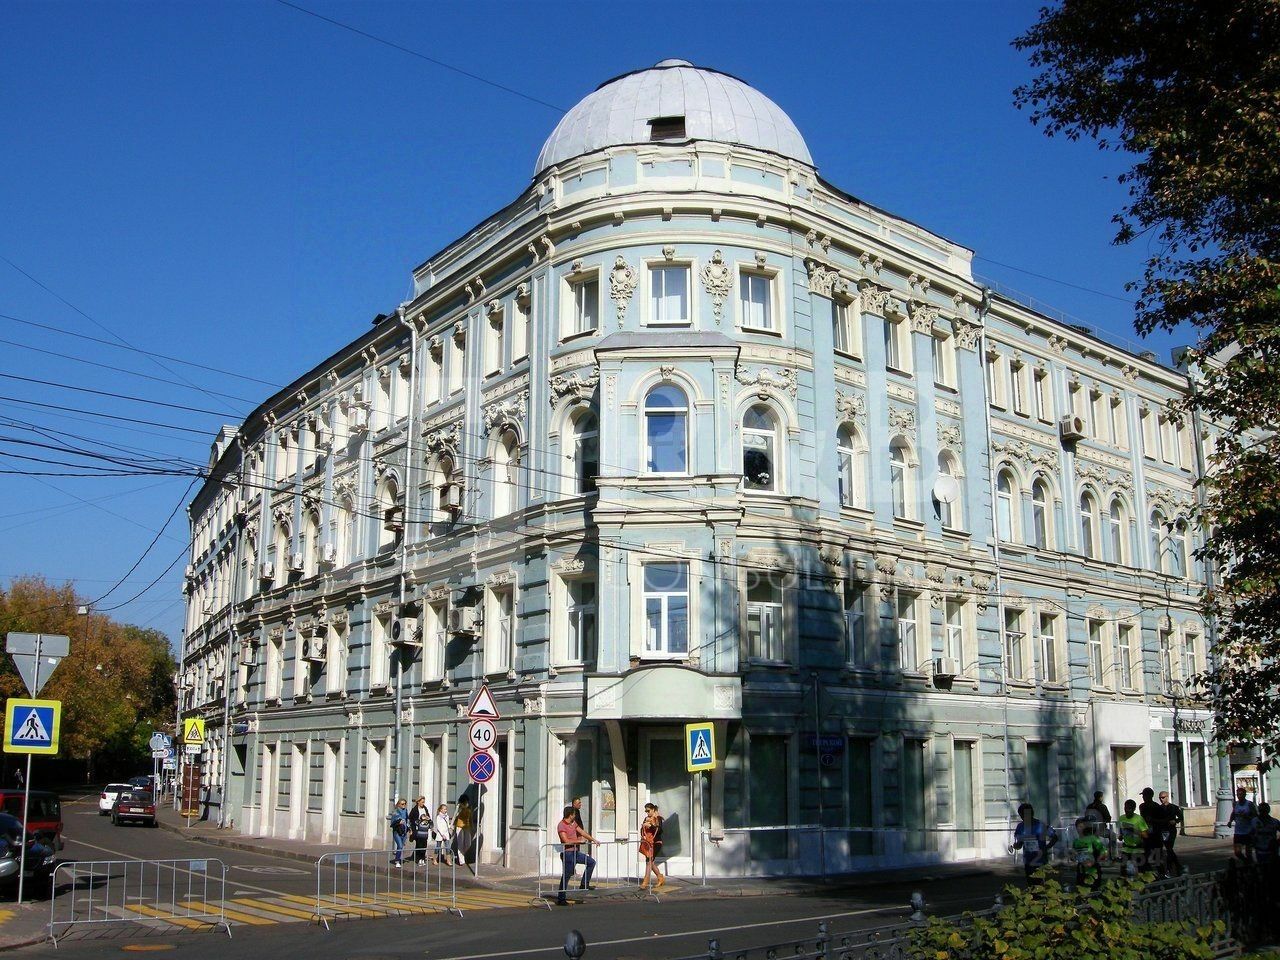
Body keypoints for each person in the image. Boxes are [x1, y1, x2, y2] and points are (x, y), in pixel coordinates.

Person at [556, 803, 596, 906]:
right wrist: (579, 841)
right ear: (570, 815)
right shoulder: (561, 825)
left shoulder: (573, 823)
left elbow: (582, 832)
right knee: (567, 875)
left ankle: (584, 884)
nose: (575, 816)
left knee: (591, 862)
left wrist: (593, 840)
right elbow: (565, 841)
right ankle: (561, 899)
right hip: (567, 853)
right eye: (574, 814)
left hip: (575, 852)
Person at [1012, 803, 1058, 884]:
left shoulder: (1041, 825)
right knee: (1030, 884)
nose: (1024, 817)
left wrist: (1046, 848)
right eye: (1022, 816)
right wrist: (1016, 846)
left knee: (1040, 885)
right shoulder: (1020, 827)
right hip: (1028, 860)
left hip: (1040, 860)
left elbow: (1055, 837)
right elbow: (1020, 843)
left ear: (1031, 813)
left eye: (1025, 815)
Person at [1071, 817, 1108, 891]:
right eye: (1078, 827)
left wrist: (1094, 862)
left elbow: (1104, 851)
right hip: (1081, 870)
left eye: (1082, 826)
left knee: (1093, 891)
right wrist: (1073, 857)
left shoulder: (1093, 839)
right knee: (1081, 891)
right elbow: (1074, 854)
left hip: (1093, 871)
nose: (1080, 829)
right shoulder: (1076, 841)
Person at [1116, 799, 1149, 875]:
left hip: (1138, 849)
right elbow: (1121, 832)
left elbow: (1146, 835)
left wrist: (1133, 830)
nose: (1127, 810)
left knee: (1141, 872)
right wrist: (1120, 836)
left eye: (1129, 808)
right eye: (1125, 808)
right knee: (1124, 872)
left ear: (1134, 809)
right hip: (1126, 848)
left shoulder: (1139, 819)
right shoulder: (1121, 818)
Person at [1139, 787, 1167, 874]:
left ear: (1150, 796)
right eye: (1143, 795)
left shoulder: (1157, 807)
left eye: (1144, 795)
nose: (1143, 797)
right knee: (1144, 855)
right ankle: (1146, 873)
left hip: (1155, 834)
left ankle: (1161, 873)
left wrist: (1153, 820)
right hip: (1146, 834)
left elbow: (1163, 820)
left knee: (1157, 856)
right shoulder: (1142, 806)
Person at [1156, 790, 1183, 877]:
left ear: (1167, 797)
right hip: (1163, 830)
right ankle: (1177, 866)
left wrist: (1175, 821)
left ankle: (1170, 868)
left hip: (1171, 830)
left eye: (1163, 797)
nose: (1161, 799)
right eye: (1160, 798)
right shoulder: (1159, 809)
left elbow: (1181, 817)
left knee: (1169, 848)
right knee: (1169, 849)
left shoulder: (1174, 807)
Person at [639, 802, 665, 890]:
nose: (647, 813)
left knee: (649, 861)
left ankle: (645, 882)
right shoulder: (646, 819)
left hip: (656, 842)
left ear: (653, 809)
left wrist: (650, 826)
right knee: (651, 862)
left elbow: (659, 831)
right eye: (646, 811)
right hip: (648, 843)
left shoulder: (658, 818)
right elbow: (642, 829)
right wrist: (643, 831)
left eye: (648, 811)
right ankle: (660, 877)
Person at [1228, 787, 1258, 862]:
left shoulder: (1249, 804)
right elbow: (1233, 813)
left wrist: (1247, 817)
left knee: (1248, 853)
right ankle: (1246, 861)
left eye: (1241, 794)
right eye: (1238, 794)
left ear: (1245, 795)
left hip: (1248, 831)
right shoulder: (1235, 803)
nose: (1239, 796)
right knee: (1237, 852)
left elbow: (1255, 816)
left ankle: (1250, 864)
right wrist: (1230, 821)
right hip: (1238, 832)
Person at [1084, 790, 1114, 858]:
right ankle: (1112, 855)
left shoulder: (1089, 806)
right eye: (1102, 797)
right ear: (1100, 797)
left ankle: (1094, 856)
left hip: (1090, 830)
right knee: (1113, 835)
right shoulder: (1102, 806)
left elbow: (1086, 817)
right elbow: (1108, 818)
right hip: (1100, 830)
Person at [1253, 802, 1278, 871]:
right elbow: (1250, 834)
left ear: (1268, 811)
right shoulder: (1254, 821)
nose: (1263, 813)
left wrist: (1277, 842)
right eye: (1261, 811)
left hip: (1272, 851)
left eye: (1264, 811)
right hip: (1260, 850)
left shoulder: (1274, 822)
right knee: (1263, 870)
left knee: (1272, 870)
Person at [409, 796, 432, 866]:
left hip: (424, 830)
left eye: (423, 802)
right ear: (418, 802)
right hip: (417, 830)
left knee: (424, 845)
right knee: (419, 845)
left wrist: (428, 819)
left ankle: (422, 858)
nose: (423, 803)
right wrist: (411, 829)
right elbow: (411, 819)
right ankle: (418, 859)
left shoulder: (425, 808)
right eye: (422, 802)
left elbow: (429, 817)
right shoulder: (414, 809)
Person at [387, 798, 410, 868]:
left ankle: (398, 858)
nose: (404, 805)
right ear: (399, 804)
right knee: (400, 846)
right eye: (402, 804)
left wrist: (409, 829)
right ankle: (397, 861)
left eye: (405, 804)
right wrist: (398, 822)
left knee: (401, 847)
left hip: (404, 831)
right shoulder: (395, 812)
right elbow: (392, 823)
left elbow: (407, 820)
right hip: (397, 832)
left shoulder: (405, 811)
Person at [453, 797, 473, 867]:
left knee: (468, 844)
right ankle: (461, 860)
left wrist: (472, 826)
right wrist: (452, 826)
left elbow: (470, 818)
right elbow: (455, 816)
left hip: (467, 827)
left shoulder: (469, 808)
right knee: (460, 844)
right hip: (459, 826)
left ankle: (462, 855)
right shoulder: (459, 808)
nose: (467, 804)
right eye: (466, 802)